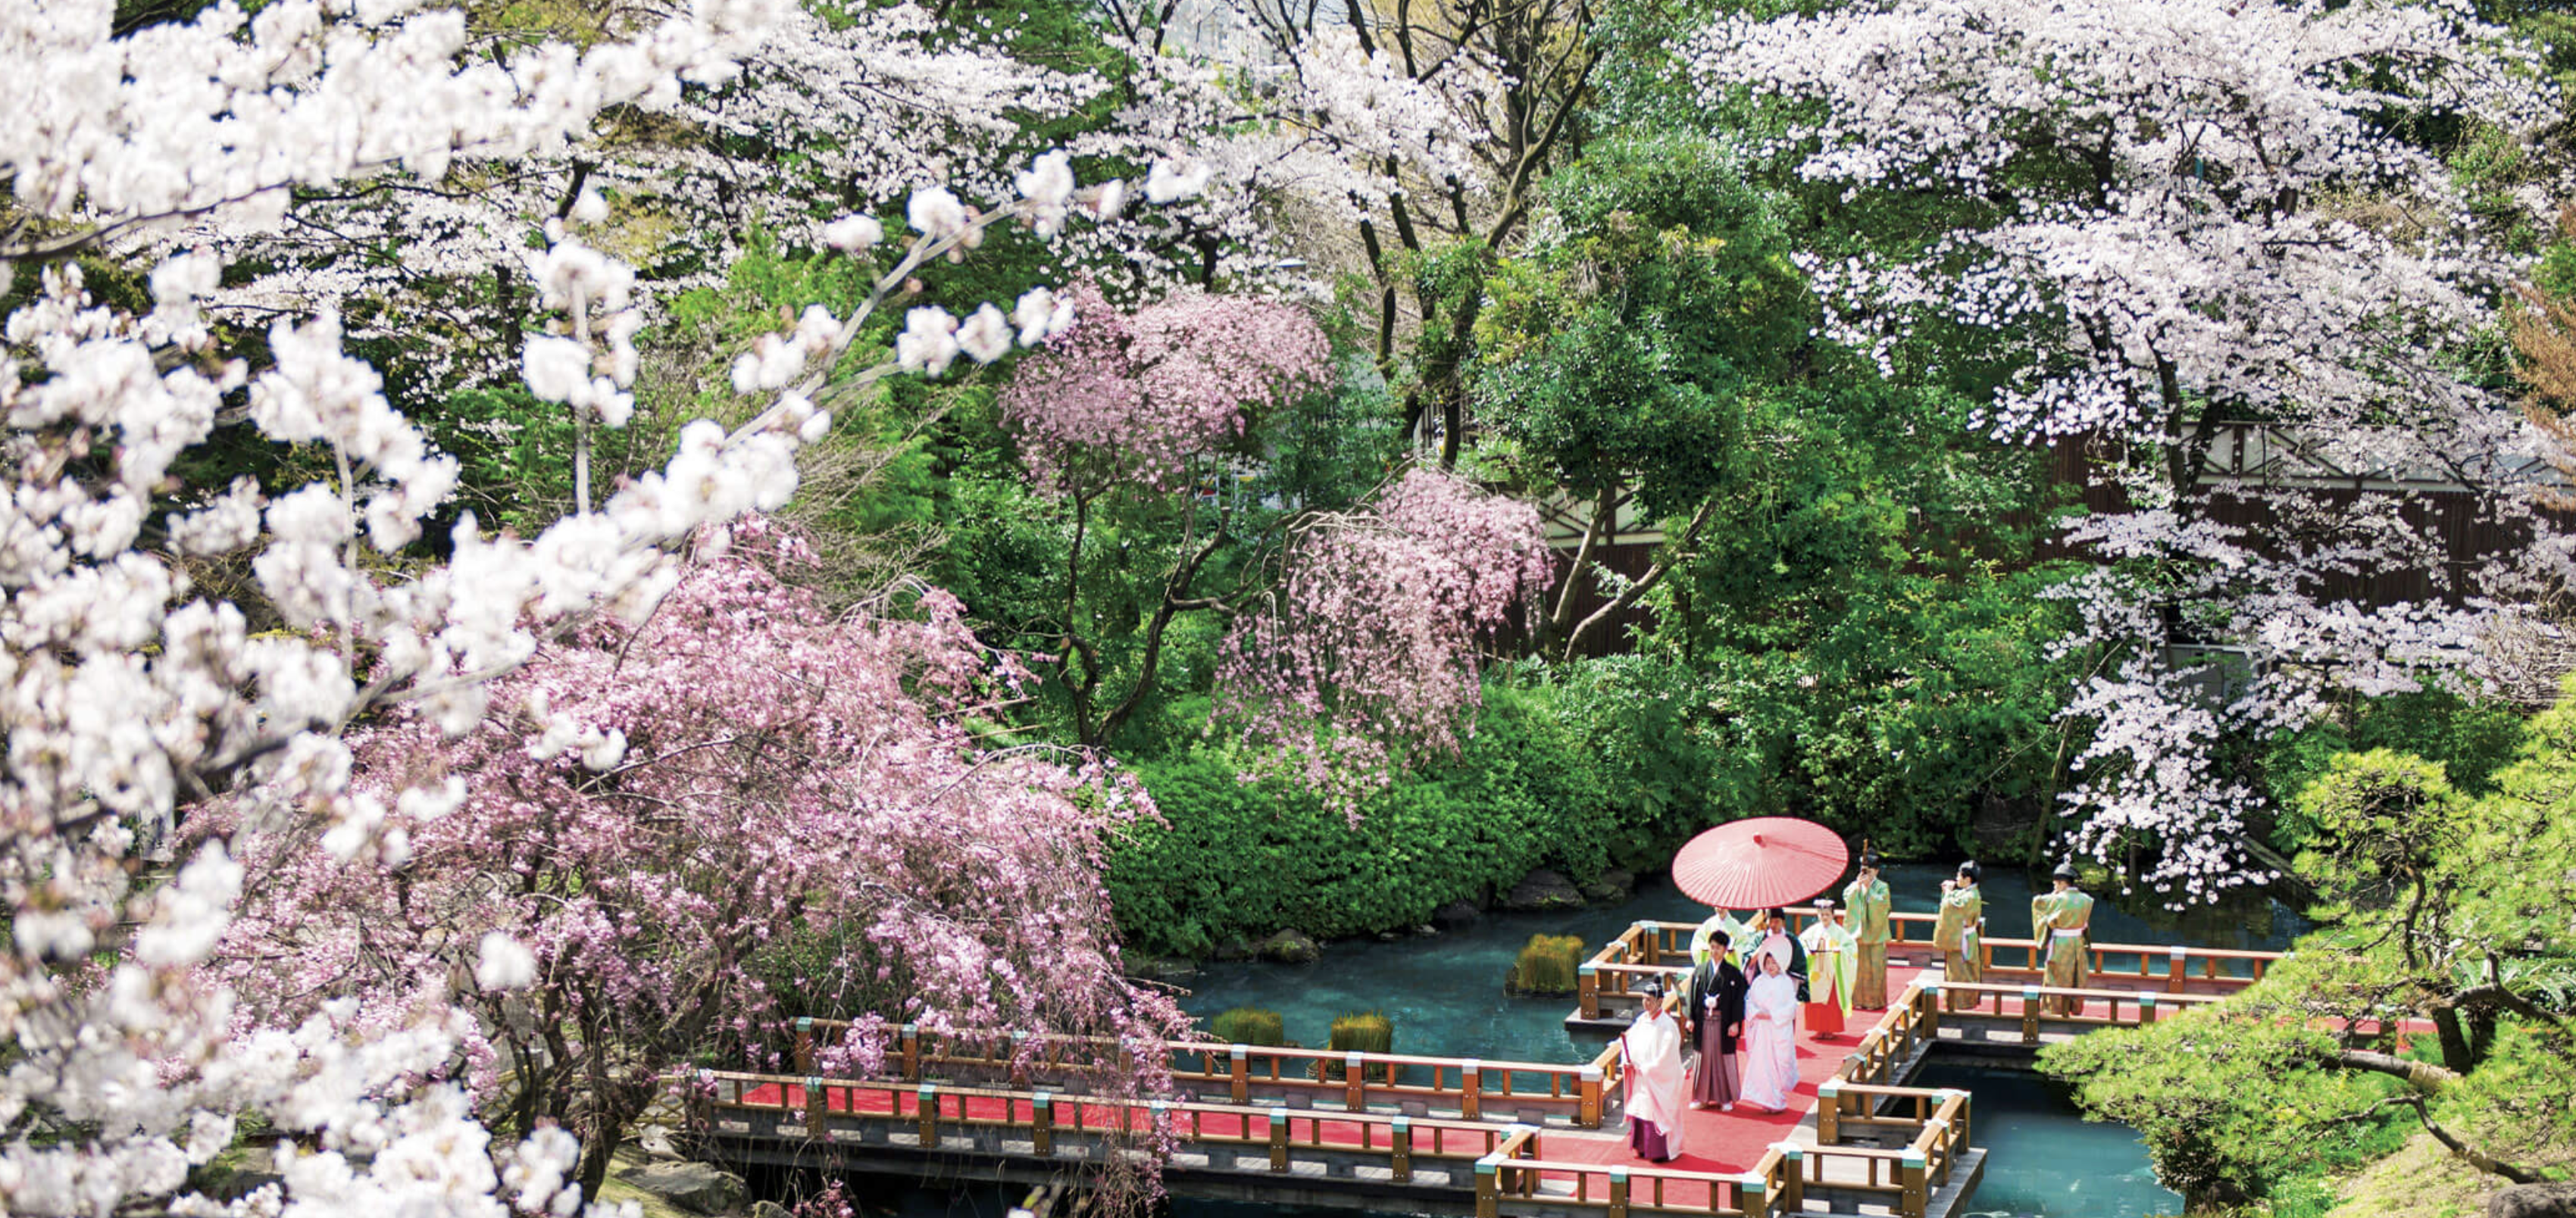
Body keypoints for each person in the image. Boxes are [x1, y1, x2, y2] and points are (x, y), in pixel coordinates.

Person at [1618, 979, 1689, 1160]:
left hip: (1655, 1077)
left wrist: (1649, 1069)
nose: (1646, 1003)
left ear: (1659, 1001)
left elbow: (1667, 1056)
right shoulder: (1642, 1020)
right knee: (1642, 1109)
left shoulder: (1668, 1026)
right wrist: (1628, 1060)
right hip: (1642, 1075)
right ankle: (1641, 1146)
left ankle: (1658, 1151)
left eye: (1650, 999)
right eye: (1644, 999)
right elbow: (1631, 1039)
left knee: (1655, 1111)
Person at [1687, 928, 1749, 1110]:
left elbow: (1739, 1000)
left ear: (1725, 950)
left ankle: (1725, 1098)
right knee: (1703, 1058)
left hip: (1723, 1022)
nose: (1714, 951)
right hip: (1704, 1021)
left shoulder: (1733, 973)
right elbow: (1691, 996)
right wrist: (1690, 1018)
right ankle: (1702, 1098)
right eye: (1712, 947)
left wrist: (1736, 1022)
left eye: (1718, 948)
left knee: (1723, 1059)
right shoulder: (1700, 971)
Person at [1737, 944, 1801, 1113]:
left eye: (1775, 963)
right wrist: (1757, 1013)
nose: (1771, 966)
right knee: (1762, 1065)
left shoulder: (1786, 982)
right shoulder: (1758, 981)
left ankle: (1777, 1100)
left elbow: (1791, 1006)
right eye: (1768, 963)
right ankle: (1766, 1100)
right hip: (1761, 1029)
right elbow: (1749, 1000)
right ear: (1763, 964)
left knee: (1777, 1064)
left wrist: (1773, 1015)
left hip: (1777, 1027)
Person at [2033, 860, 2096, 1015]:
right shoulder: (2087, 900)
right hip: (2077, 943)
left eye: (2056, 884)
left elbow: (2038, 903)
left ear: (2062, 883)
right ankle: (2074, 1008)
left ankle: (2054, 1009)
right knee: (2077, 976)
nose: (2055, 887)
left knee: (2056, 976)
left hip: (2061, 943)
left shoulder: (2056, 899)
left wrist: (2053, 894)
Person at [1800, 901, 1858, 1038]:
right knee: (1816, 1000)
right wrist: (1809, 951)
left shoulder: (1839, 932)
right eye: (1822, 914)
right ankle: (1818, 1029)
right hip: (1816, 971)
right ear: (1818, 915)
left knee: (1831, 1002)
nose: (1824, 917)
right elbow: (1801, 944)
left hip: (1831, 971)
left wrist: (1841, 951)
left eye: (1827, 914)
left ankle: (1830, 1029)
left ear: (1833, 915)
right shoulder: (1813, 930)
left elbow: (1851, 947)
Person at [1933, 861, 1984, 1012]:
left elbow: (1952, 907)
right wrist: (1948, 892)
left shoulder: (1971, 896)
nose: (1956, 879)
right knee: (1956, 970)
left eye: (1959, 876)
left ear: (1967, 880)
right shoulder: (1968, 893)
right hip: (1960, 936)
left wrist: (1948, 892)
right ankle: (1955, 1002)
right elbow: (1953, 901)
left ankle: (1962, 1003)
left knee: (1962, 971)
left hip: (1963, 938)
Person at [1843, 854, 1893, 1009]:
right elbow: (1847, 898)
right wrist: (1858, 887)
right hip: (1858, 934)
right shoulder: (1854, 885)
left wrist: (1869, 889)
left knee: (1875, 969)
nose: (1866, 874)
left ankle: (1875, 1001)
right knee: (1858, 969)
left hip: (1876, 935)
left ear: (1876, 871)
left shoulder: (1882, 887)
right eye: (1864, 870)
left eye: (1869, 871)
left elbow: (1884, 906)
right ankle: (1857, 1000)